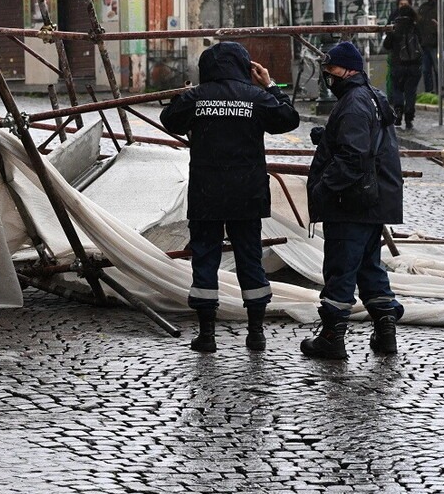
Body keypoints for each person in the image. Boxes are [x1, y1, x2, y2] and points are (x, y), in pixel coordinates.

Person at [160, 41, 300, 352]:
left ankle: (207, 334)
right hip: (246, 194)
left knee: (205, 259)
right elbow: (289, 119)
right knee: (250, 260)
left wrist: (183, 96)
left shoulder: (197, 97)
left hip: (206, 193)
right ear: (244, 66)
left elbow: (169, 120)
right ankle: (256, 333)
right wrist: (271, 85)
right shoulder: (257, 97)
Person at [302, 41, 404, 359]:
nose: (328, 77)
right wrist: (328, 138)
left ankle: (332, 337)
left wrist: (323, 189)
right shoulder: (371, 96)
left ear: (349, 70)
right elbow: (365, 143)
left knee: (341, 268)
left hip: (352, 202)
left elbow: (354, 157)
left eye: (332, 71)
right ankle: (386, 332)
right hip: (372, 201)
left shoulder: (354, 103)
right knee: (368, 268)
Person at [382, 0, 423, 130]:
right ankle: (409, 117)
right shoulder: (416, 27)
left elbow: (387, 45)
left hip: (398, 64)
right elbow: (422, 42)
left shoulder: (395, 28)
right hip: (414, 65)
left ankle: (398, 110)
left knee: (397, 89)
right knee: (411, 91)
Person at [416, 0, 439, 93]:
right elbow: (419, 24)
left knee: (437, 69)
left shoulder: (439, 7)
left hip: (435, 44)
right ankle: (429, 91)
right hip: (425, 44)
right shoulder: (424, 8)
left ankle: (439, 90)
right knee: (426, 70)